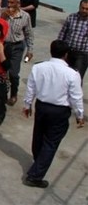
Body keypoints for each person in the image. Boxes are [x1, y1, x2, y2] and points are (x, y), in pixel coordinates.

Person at [22, 40, 84, 188]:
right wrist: (79, 115)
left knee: (38, 136)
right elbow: (76, 97)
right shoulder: (72, 74)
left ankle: (39, 162)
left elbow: (31, 87)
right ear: (66, 54)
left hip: (42, 107)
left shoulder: (39, 67)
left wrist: (27, 104)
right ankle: (35, 175)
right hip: (59, 111)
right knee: (51, 142)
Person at [1, 0, 34, 106]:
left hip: (17, 46)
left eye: (12, 3)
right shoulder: (1, 12)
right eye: (8, 2)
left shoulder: (25, 16)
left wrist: (30, 50)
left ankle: (14, 93)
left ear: (18, 3)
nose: (9, 5)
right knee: (1, 71)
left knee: (14, 73)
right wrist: (2, 18)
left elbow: (29, 34)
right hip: (3, 46)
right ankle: (2, 93)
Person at [57, 0, 88, 83]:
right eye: (83, 8)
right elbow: (63, 33)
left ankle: (75, 95)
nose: (84, 10)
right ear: (79, 7)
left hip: (82, 54)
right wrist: (59, 48)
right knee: (63, 76)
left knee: (76, 78)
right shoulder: (71, 17)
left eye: (87, 9)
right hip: (67, 52)